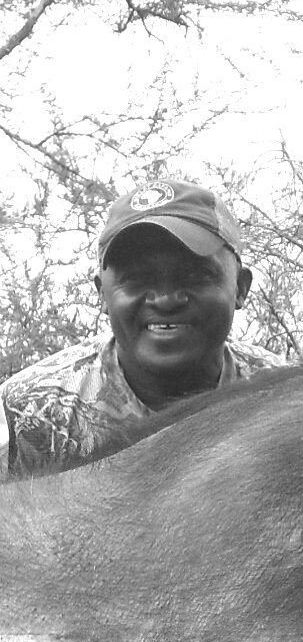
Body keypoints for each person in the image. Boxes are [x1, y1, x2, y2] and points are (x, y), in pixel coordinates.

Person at [1, 179, 278, 479]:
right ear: (102, 294)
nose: (166, 299)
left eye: (196, 274)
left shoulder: (286, 396)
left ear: (240, 287)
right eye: (135, 278)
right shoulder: (27, 411)